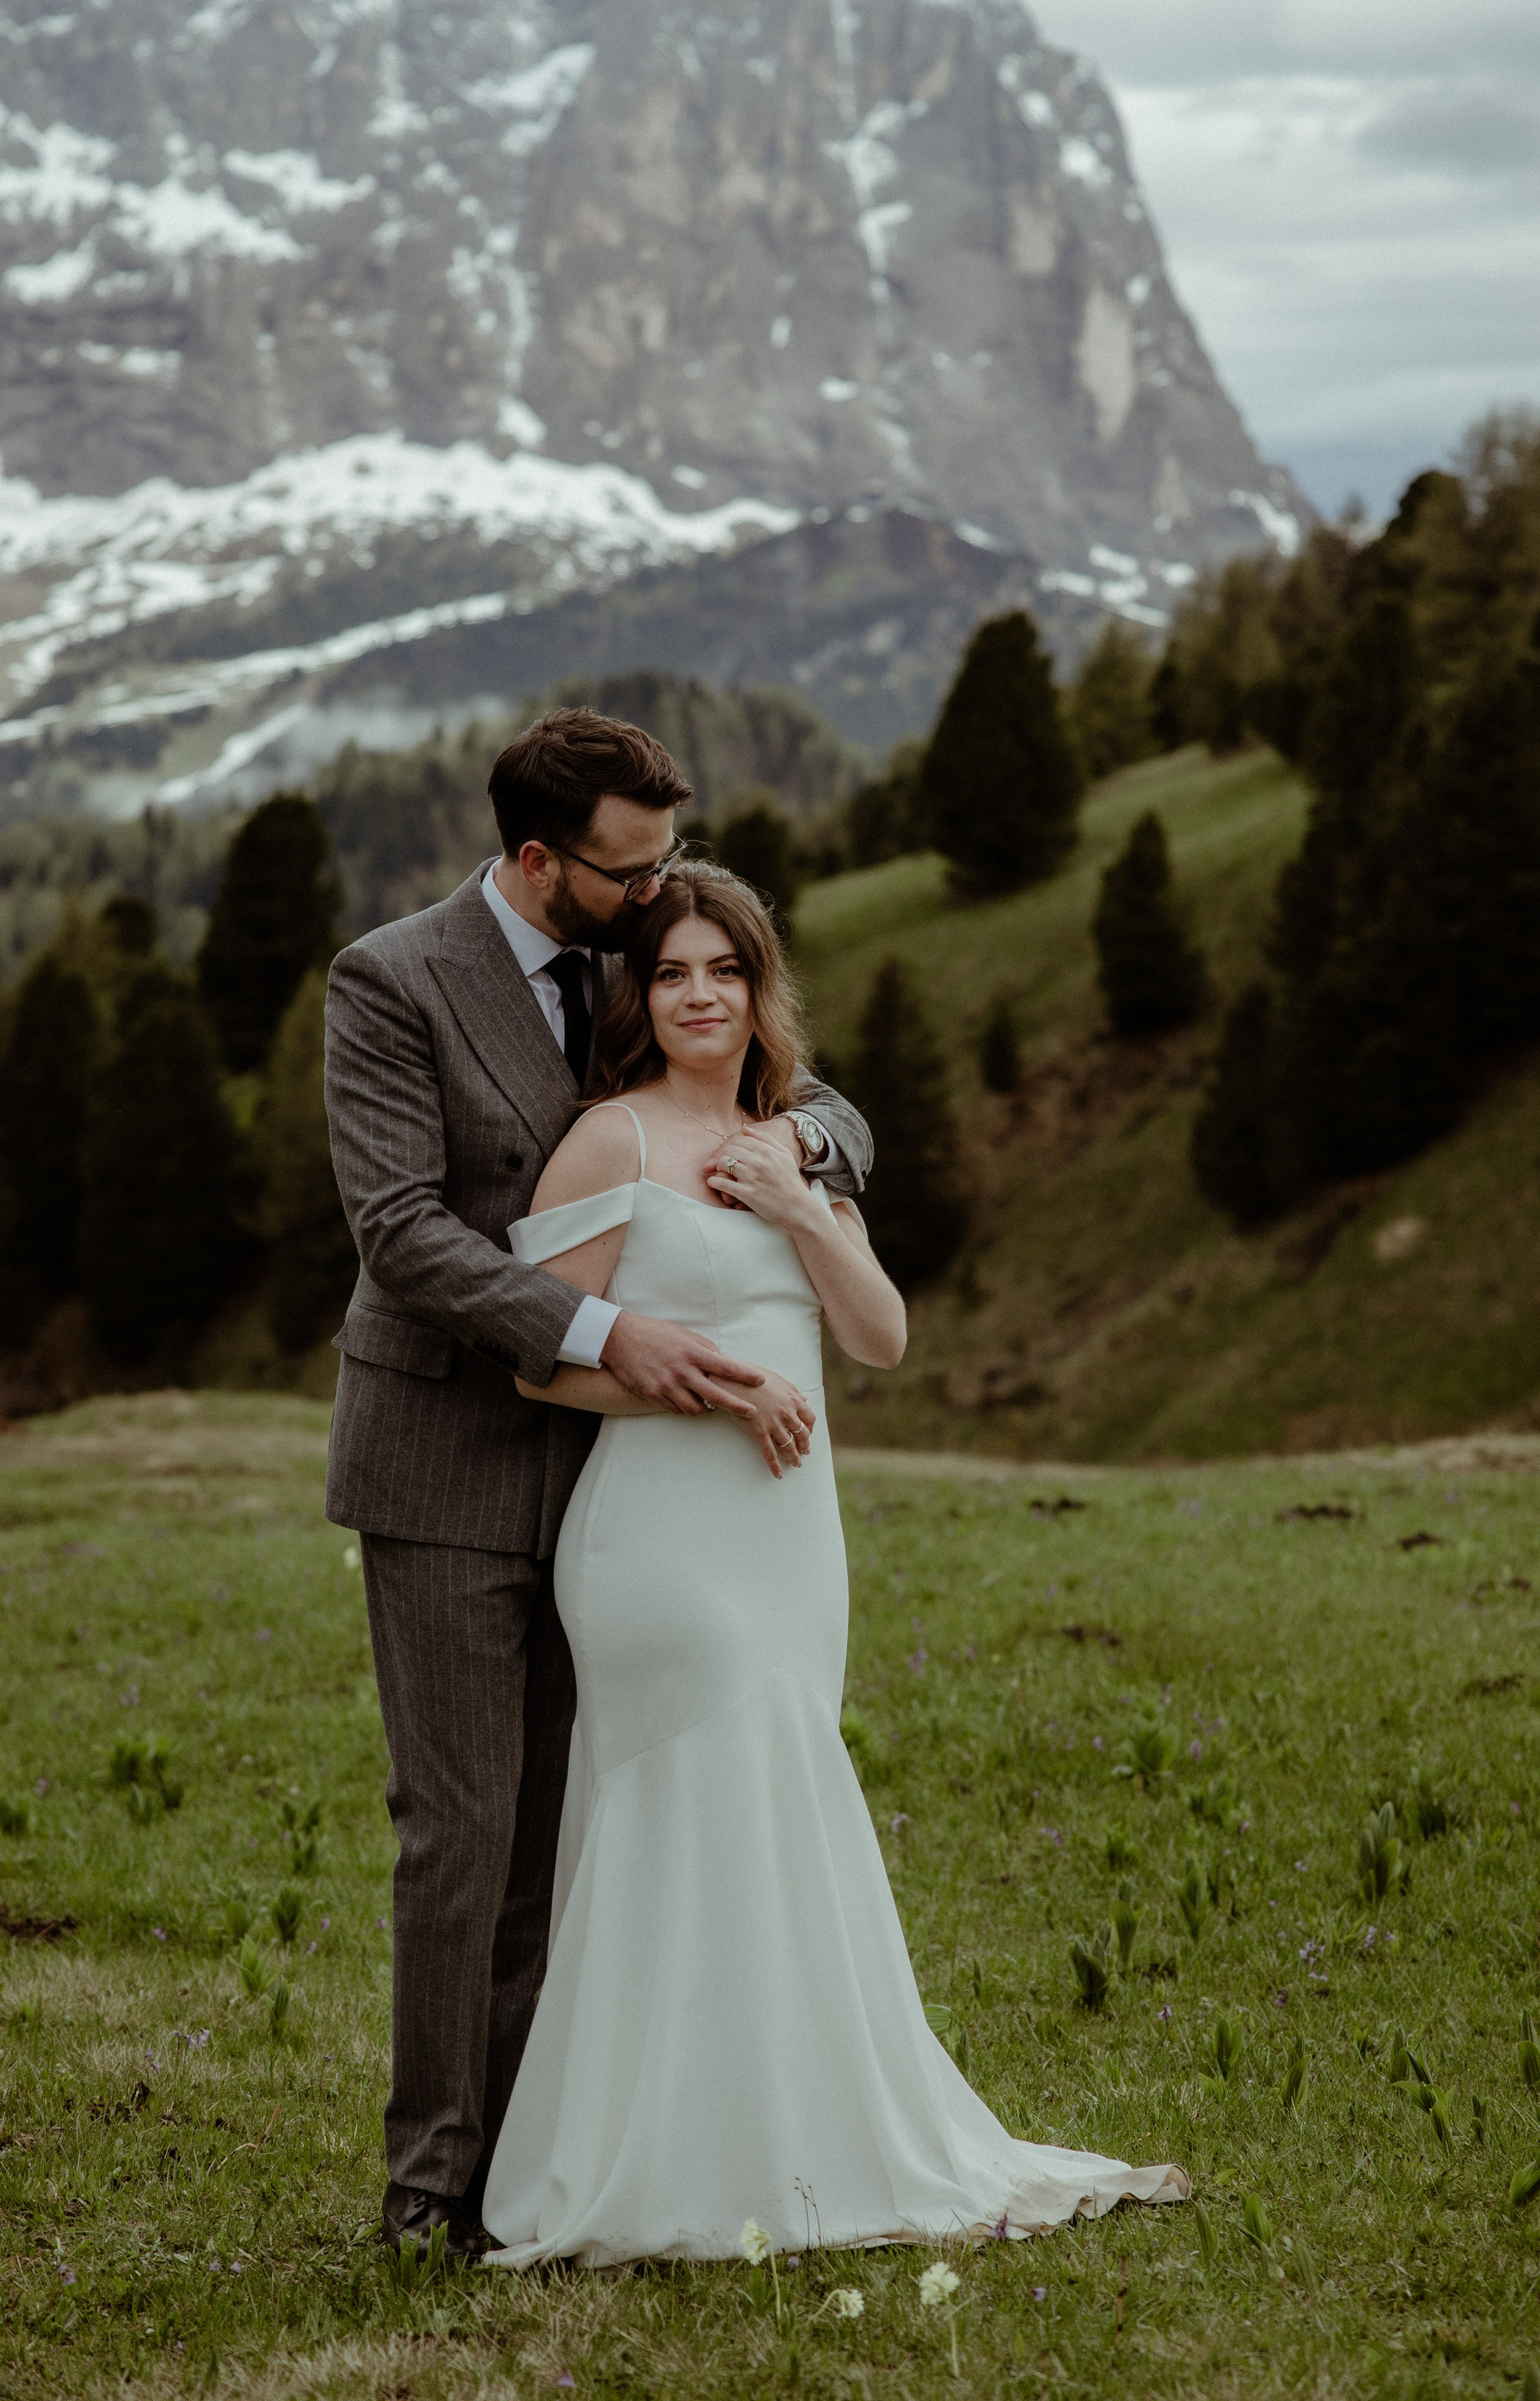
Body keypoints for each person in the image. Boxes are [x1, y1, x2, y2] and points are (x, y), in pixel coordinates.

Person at [480, 863, 1189, 2265]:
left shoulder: (800, 1140)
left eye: (724, 970)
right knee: (695, 1802)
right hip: (660, 1539)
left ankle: (790, 2134)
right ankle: (656, 2158)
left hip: (790, 1541)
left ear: (761, 989)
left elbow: (880, 1338)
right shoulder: (608, 1140)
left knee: (780, 1802)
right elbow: (537, 1366)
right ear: (640, 997)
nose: (698, 995)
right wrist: (710, 1390)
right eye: (671, 973)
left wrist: (798, 1203)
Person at [322, 711, 871, 2260]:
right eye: (626, 872)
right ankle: (432, 2188)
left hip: (625, 1480)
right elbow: (402, 1230)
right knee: (462, 1831)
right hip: (447, 1457)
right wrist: (607, 1332)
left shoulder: (639, 944)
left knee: (570, 1829)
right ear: (537, 858)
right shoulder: (392, 979)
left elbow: (793, 1083)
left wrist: (805, 1146)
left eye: (660, 865)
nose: (652, 896)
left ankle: (543, 2160)